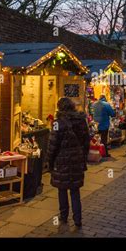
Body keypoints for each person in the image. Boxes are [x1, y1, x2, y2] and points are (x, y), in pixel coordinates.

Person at [48, 97, 90, 228]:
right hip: (77, 159)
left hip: (62, 160)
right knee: (75, 191)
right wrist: (83, 156)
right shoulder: (81, 121)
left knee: (62, 189)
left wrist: (50, 162)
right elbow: (86, 141)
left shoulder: (57, 123)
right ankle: (78, 219)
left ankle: (64, 216)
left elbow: (52, 145)